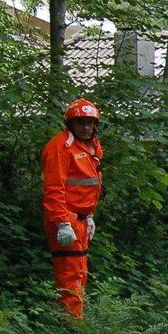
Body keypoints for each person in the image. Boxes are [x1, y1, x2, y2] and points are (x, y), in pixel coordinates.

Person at [41, 98, 103, 318]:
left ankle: (73, 323)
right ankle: (71, 329)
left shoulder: (92, 146)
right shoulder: (60, 147)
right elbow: (54, 188)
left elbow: (88, 186)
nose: (86, 127)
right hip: (66, 220)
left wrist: (89, 217)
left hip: (81, 220)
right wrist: (62, 222)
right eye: (81, 123)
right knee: (70, 277)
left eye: (89, 123)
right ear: (71, 124)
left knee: (80, 275)